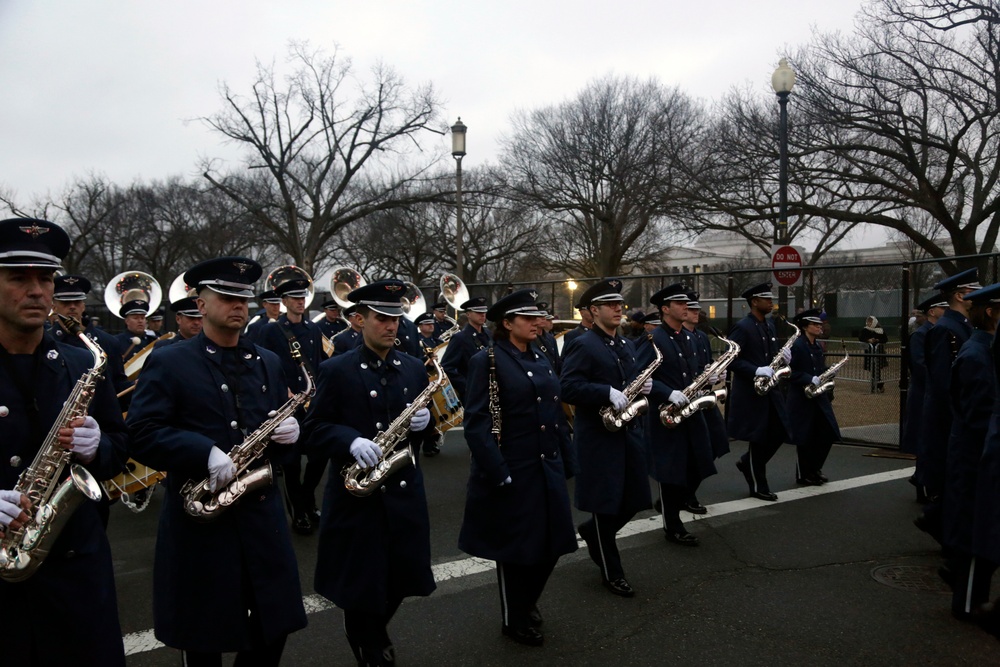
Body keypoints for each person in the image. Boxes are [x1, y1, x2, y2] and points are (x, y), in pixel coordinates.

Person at [127, 256, 307, 666]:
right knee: (204, 643)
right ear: (201, 303)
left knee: (271, 633)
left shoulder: (267, 360)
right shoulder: (171, 360)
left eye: (243, 297)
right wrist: (200, 451)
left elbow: (280, 436)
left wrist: (291, 435)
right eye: (226, 296)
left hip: (262, 523)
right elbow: (141, 432)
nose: (238, 305)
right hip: (201, 529)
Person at [0, 218, 128, 665]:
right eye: (19, 278)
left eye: (45, 278)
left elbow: (119, 445)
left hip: (76, 572)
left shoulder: (81, 362)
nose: (36, 290)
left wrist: (99, 448)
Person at [303, 279, 435, 667]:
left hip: (402, 489)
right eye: (382, 318)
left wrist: (427, 422)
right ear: (359, 320)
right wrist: (350, 440)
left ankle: (372, 631)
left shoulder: (412, 367)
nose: (392, 326)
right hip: (357, 496)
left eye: (396, 318)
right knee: (362, 582)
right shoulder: (336, 369)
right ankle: (367, 641)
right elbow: (314, 429)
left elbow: (427, 428)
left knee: (401, 575)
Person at [458, 289, 576, 646]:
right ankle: (515, 616)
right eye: (527, 318)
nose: (536, 323)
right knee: (516, 548)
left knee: (554, 542)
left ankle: (526, 601)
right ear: (507, 323)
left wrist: (568, 457)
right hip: (514, 464)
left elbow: (554, 411)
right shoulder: (489, 360)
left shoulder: (540, 354)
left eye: (537, 316)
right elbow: (476, 423)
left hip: (547, 461)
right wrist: (498, 470)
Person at [561, 278, 652, 597]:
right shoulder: (583, 343)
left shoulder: (625, 344)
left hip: (626, 432)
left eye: (620, 304)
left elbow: (627, 384)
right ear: (593, 310)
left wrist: (641, 389)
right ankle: (612, 571)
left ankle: (592, 532)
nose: (619, 308)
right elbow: (567, 387)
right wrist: (604, 392)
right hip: (598, 437)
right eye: (611, 305)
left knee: (636, 498)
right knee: (605, 504)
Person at [941, 283, 1000, 622]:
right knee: (975, 534)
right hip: (975, 455)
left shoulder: (986, 349)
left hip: (979, 453)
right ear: (990, 312)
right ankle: (967, 604)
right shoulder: (977, 355)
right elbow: (978, 415)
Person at [639, 285, 714, 546]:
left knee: (699, 464)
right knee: (671, 473)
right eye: (679, 303)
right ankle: (673, 525)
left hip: (691, 411)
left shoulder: (691, 338)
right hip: (665, 414)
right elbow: (640, 378)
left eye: (686, 303)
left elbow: (692, 372)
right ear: (665, 309)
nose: (686, 307)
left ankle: (673, 507)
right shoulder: (653, 339)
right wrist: (666, 392)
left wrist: (709, 379)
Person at [257, 277, 325, 535]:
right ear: (284, 302)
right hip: (287, 405)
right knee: (292, 463)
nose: (299, 302)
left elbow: (317, 364)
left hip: (312, 404)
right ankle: (298, 512)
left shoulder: (313, 329)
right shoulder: (272, 331)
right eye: (294, 298)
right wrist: (281, 390)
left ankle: (308, 498)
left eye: (302, 297)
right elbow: (263, 366)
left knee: (319, 455)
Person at [916, 268, 980, 545]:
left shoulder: (961, 326)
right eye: (973, 292)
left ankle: (940, 522)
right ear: (959, 295)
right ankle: (942, 527)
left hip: (955, 413)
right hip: (947, 416)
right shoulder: (946, 329)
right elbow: (943, 382)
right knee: (949, 476)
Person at [726, 282, 791, 502]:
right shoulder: (743, 327)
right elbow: (730, 361)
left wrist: (782, 359)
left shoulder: (769, 325)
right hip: (751, 392)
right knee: (759, 438)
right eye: (766, 298)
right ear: (754, 302)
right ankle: (758, 486)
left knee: (780, 431)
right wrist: (755, 370)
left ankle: (747, 462)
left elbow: (769, 356)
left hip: (770, 389)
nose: (771, 302)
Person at [50, 274, 128, 400]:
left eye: (77, 302)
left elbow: (118, 385)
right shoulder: (44, 340)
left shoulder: (108, 342)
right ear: (54, 307)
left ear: (83, 306)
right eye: (65, 302)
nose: (72, 306)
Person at [787, 308, 842, 486]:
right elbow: (789, 372)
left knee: (827, 432)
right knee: (805, 437)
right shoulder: (797, 345)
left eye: (820, 324)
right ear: (804, 326)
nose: (819, 327)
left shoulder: (817, 345)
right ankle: (805, 474)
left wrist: (828, 372)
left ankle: (814, 468)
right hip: (801, 397)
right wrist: (809, 378)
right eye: (815, 324)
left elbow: (817, 368)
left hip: (818, 396)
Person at [684, 293, 729, 504]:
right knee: (696, 451)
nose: (696, 313)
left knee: (715, 444)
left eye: (696, 309)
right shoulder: (678, 335)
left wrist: (716, 374)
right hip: (687, 400)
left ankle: (687, 490)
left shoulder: (701, 336)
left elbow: (705, 363)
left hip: (704, 398)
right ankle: (685, 494)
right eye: (691, 309)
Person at [902, 294, 948, 501]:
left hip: (932, 392)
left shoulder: (938, 332)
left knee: (931, 439)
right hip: (923, 393)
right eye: (943, 308)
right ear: (932, 311)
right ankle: (923, 484)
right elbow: (920, 366)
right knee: (924, 440)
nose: (947, 311)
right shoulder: (921, 335)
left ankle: (923, 479)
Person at [441, 295, 492, 404]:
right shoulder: (460, 338)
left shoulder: (488, 334)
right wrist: (467, 386)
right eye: (478, 312)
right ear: (468, 314)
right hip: (473, 395)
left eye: (484, 311)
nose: (483, 315)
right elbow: (447, 367)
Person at [115, 297, 157, 362]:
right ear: (127, 321)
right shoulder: (116, 342)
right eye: (135, 318)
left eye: (142, 318)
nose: (140, 321)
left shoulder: (153, 341)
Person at [858, 315, 889, 393]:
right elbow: (861, 338)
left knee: (876, 368)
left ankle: (877, 385)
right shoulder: (865, 330)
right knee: (872, 368)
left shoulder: (880, 330)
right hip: (870, 352)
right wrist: (868, 340)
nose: (868, 323)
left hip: (879, 352)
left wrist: (877, 340)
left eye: (870, 321)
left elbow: (885, 339)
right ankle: (877, 385)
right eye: (868, 321)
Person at [533, 302, 560, 373]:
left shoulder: (550, 338)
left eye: (544, 316)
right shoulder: (529, 338)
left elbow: (557, 362)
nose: (543, 318)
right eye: (539, 316)